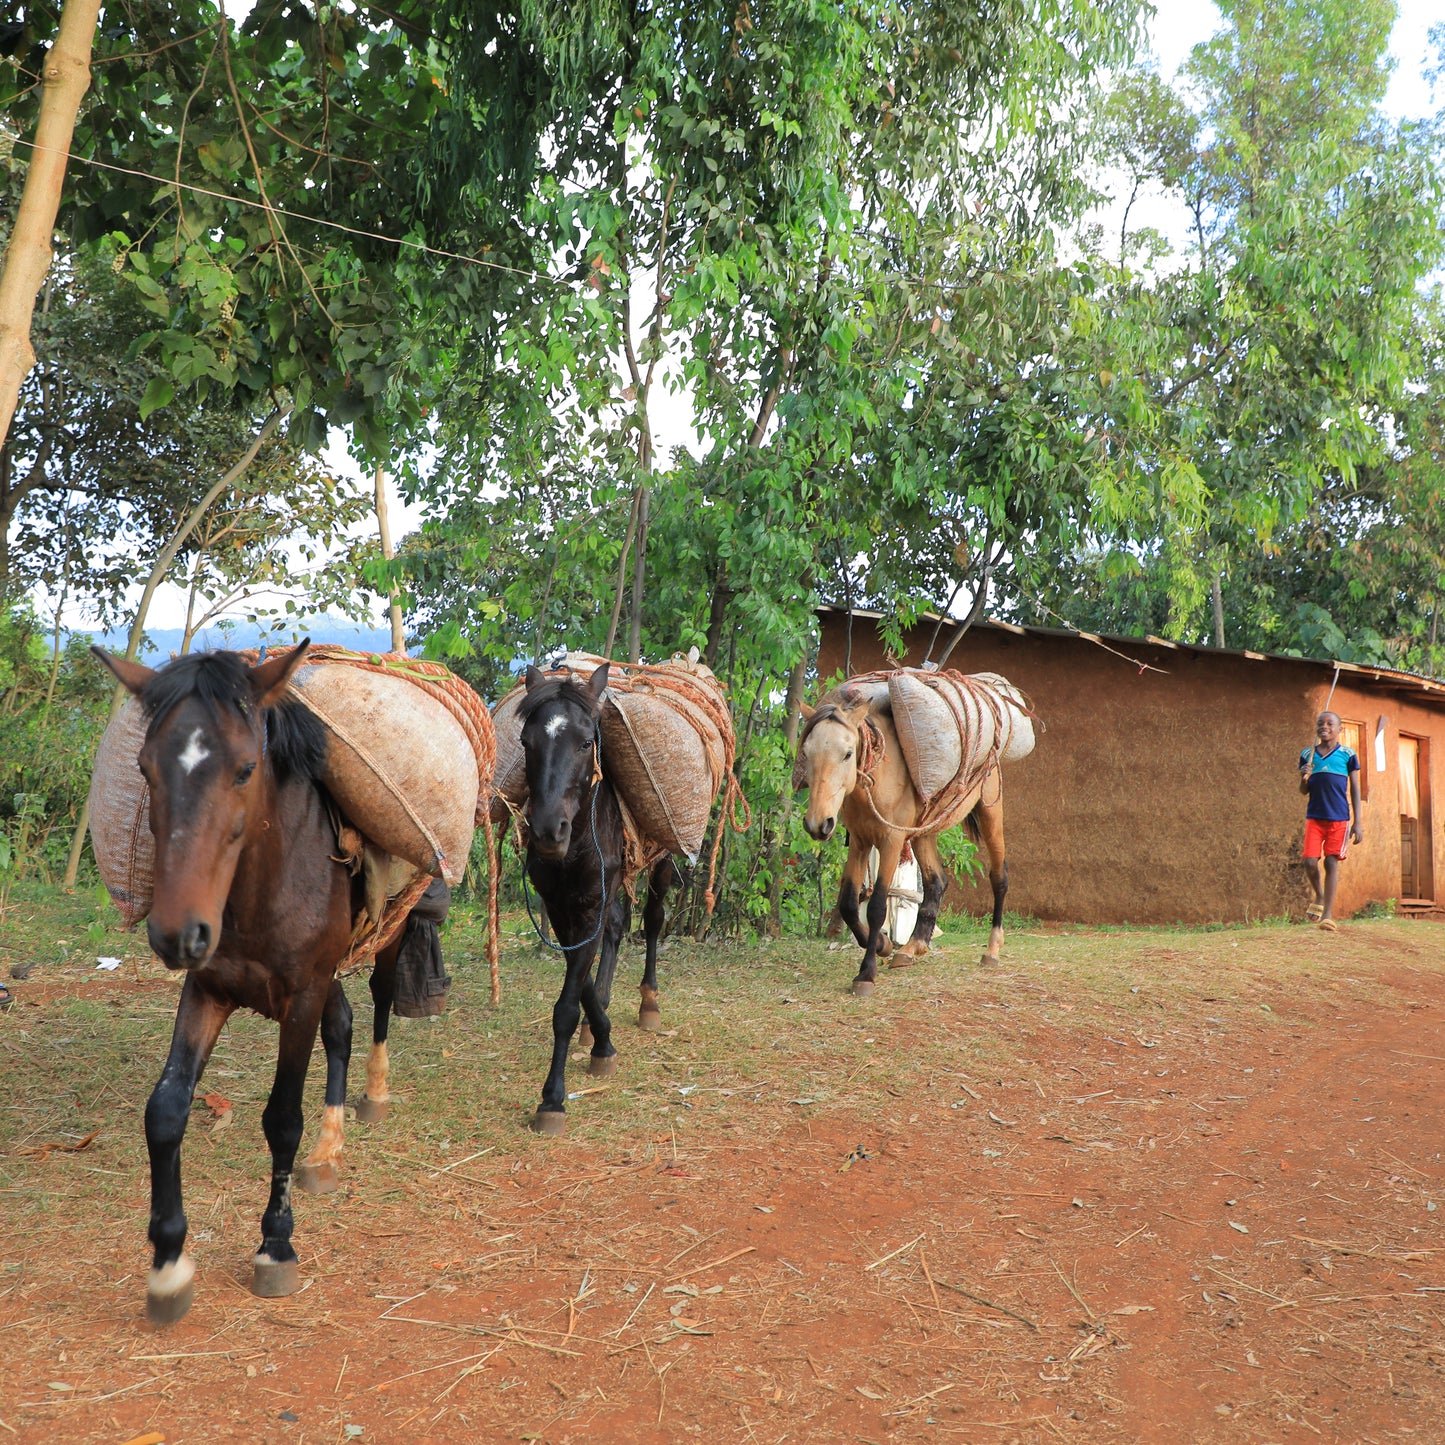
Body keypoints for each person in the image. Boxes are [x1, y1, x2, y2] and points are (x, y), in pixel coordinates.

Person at [1299, 711, 1363, 931]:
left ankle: (1327, 914)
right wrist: (1304, 776)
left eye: (1329, 723)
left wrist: (1358, 822)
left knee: (1331, 861)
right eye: (1320, 723)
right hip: (1315, 817)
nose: (1324, 726)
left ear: (1339, 729)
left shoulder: (1348, 755)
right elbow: (1303, 791)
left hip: (1339, 819)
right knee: (1309, 861)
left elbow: (1355, 789)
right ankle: (1319, 895)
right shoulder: (1307, 755)